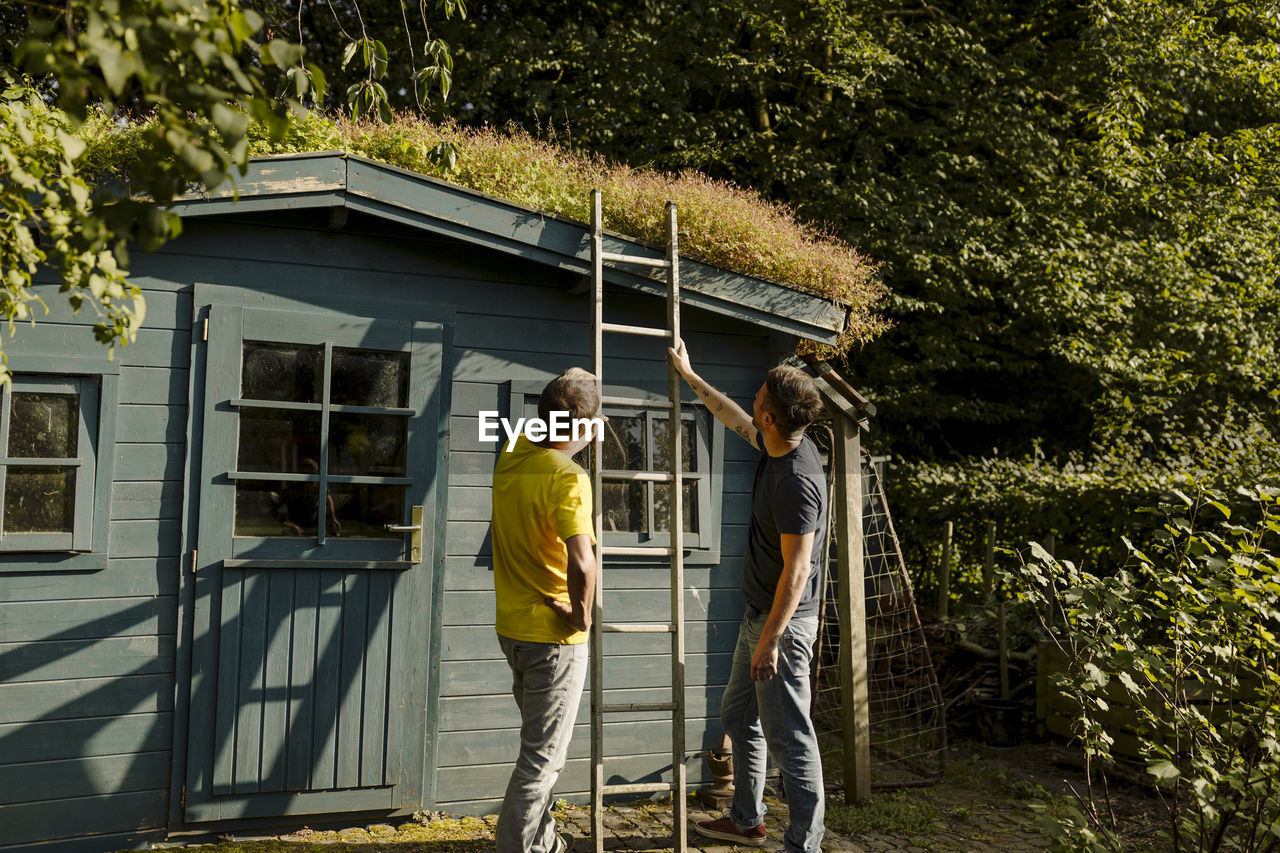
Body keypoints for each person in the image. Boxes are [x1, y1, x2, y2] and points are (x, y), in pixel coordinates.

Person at [668, 341, 828, 852]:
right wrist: (691, 377)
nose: (751, 398)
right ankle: (746, 820)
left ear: (771, 414)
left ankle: (805, 845)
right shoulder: (778, 441)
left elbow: (798, 569)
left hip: (782, 627)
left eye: (758, 394)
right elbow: (732, 415)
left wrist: (772, 641)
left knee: (792, 742)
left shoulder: (797, 480)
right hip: (759, 617)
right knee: (738, 717)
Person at [491, 367, 601, 853]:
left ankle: (544, 846)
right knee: (542, 762)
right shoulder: (569, 479)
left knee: (542, 750)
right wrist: (582, 614)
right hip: (555, 640)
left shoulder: (512, 455)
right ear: (581, 428)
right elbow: (582, 559)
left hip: (513, 630)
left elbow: (553, 433)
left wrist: (575, 399)